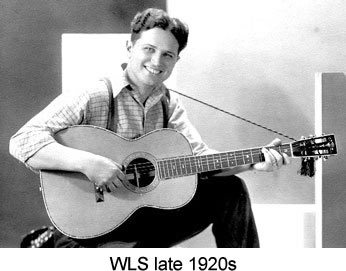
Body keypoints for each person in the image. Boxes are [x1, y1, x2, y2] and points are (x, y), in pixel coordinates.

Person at [9, 8, 289, 248]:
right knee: (75, 249)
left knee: (231, 189)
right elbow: (23, 141)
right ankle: (59, 242)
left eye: (168, 55)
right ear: (130, 47)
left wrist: (253, 163)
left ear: (176, 60)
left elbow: (199, 161)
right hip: (92, 216)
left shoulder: (170, 105)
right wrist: (90, 164)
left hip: (142, 214)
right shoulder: (93, 94)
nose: (157, 62)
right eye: (149, 49)